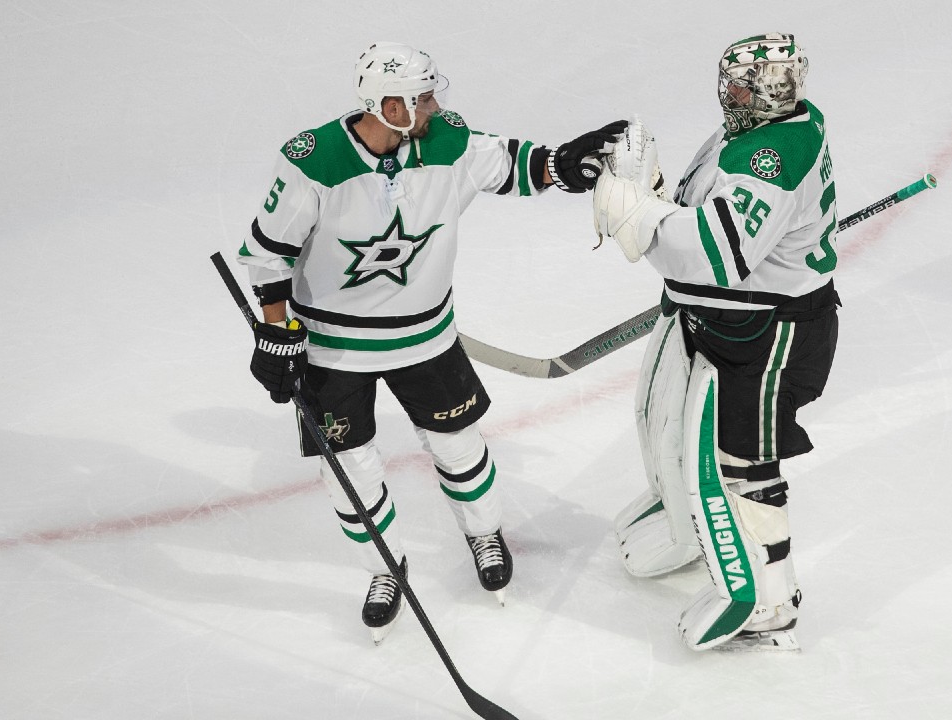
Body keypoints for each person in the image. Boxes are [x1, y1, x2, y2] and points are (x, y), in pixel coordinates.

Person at [238, 41, 625, 644]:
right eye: (420, 98)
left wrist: (564, 165)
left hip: (426, 337)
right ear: (384, 104)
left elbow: (515, 164)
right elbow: (268, 253)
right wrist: (277, 331)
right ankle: (384, 567)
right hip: (334, 350)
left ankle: (484, 531)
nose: (433, 105)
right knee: (349, 470)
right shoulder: (313, 161)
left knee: (458, 444)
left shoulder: (446, 140)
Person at [593, 33, 839, 651]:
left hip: (771, 334)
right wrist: (653, 199)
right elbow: (705, 211)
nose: (726, 94)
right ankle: (685, 528)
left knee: (742, 461)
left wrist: (639, 216)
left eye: (737, 85)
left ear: (763, 91)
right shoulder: (759, 132)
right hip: (733, 322)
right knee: (675, 426)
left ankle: (771, 599)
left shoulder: (771, 156)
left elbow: (714, 255)